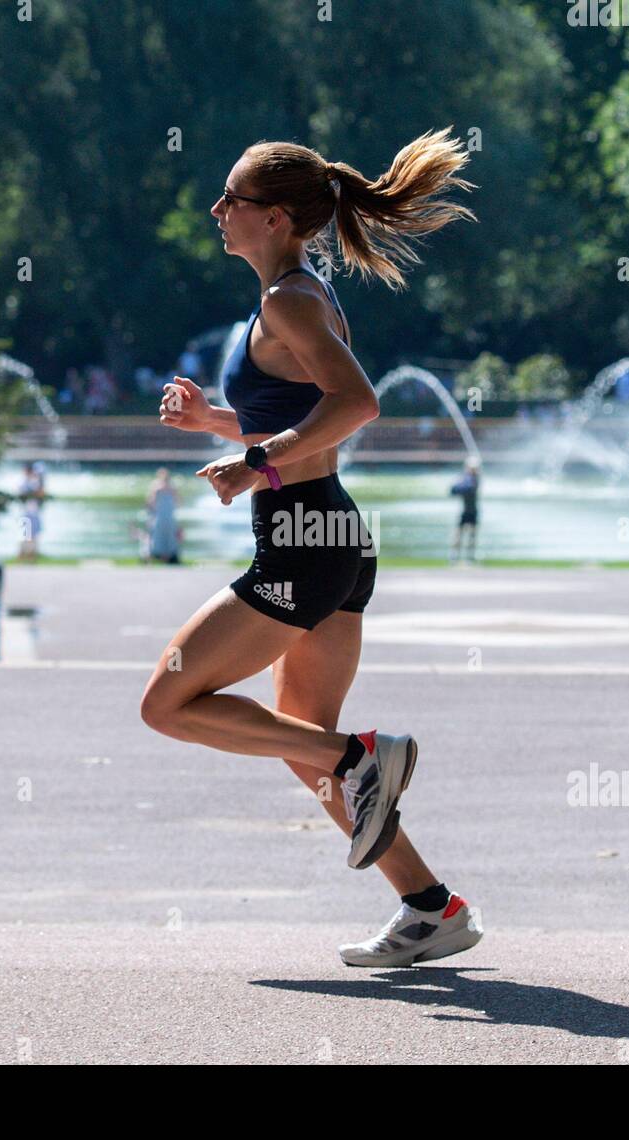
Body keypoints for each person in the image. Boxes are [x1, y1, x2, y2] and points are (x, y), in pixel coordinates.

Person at [144, 128, 483, 967]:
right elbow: (304, 413)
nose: (218, 210)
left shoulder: (292, 300)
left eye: (235, 201)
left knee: (169, 704)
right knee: (299, 743)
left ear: (279, 219)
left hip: (302, 544)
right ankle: (430, 906)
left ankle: (364, 755)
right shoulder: (297, 295)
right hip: (329, 533)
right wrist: (216, 425)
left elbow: (357, 405)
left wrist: (255, 461)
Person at [144, 467, 182, 564]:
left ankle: (169, 555)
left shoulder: (172, 486)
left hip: (168, 514)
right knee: (158, 534)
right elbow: (150, 501)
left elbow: (178, 501)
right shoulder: (156, 486)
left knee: (169, 534)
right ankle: (159, 555)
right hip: (160, 514)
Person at [450, 457, 480, 562]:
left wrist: (458, 484)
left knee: (472, 536)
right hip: (465, 511)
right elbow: (453, 490)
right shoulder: (465, 478)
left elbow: (467, 487)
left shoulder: (475, 479)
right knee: (458, 534)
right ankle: (454, 556)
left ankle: (470, 556)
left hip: (473, 511)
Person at [17, 462, 46, 559]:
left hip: (33, 511)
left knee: (32, 534)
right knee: (25, 533)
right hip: (27, 511)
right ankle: (24, 554)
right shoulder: (25, 482)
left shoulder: (34, 482)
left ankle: (31, 554)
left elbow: (41, 494)